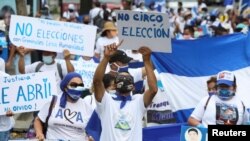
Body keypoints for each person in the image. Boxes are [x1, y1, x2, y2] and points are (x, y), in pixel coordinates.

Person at [93, 42, 158, 140]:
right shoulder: (107, 101)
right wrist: (106, 57)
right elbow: (97, 82)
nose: (125, 80)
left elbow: (153, 90)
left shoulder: (138, 101)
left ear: (133, 87)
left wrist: (147, 61)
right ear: (114, 85)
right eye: (121, 78)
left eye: (128, 79)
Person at [34, 72, 93, 140]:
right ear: (65, 87)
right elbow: (38, 120)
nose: (77, 88)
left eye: (80, 85)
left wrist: (91, 137)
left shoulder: (87, 106)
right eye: (73, 85)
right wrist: (39, 133)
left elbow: (93, 129)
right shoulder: (53, 101)